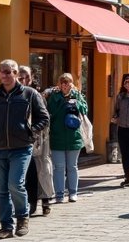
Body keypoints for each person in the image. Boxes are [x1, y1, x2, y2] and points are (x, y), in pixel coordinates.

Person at [0, 59, 50, 240]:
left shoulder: (30, 94)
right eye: (2, 71)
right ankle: (6, 227)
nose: (5, 75)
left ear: (16, 74)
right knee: (1, 189)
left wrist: (30, 133)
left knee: (15, 184)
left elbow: (44, 118)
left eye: (8, 72)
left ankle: (22, 219)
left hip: (21, 148)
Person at [19, 67, 53, 221]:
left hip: (39, 138)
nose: (24, 80)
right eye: (21, 77)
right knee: (29, 172)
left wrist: (34, 130)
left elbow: (45, 118)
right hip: (21, 140)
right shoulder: (14, 94)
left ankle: (45, 200)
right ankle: (31, 202)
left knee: (43, 169)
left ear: (31, 78)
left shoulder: (36, 95)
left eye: (26, 77)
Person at [46, 72, 87, 205]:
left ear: (72, 83)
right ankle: (59, 194)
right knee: (58, 167)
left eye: (68, 82)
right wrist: (62, 102)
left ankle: (73, 193)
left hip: (73, 136)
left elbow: (85, 109)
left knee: (72, 166)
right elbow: (50, 111)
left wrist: (76, 104)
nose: (65, 84)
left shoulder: (77, 95)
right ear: (59, 83)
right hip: (57, 136)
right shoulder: (54, 96)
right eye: (62, 82)